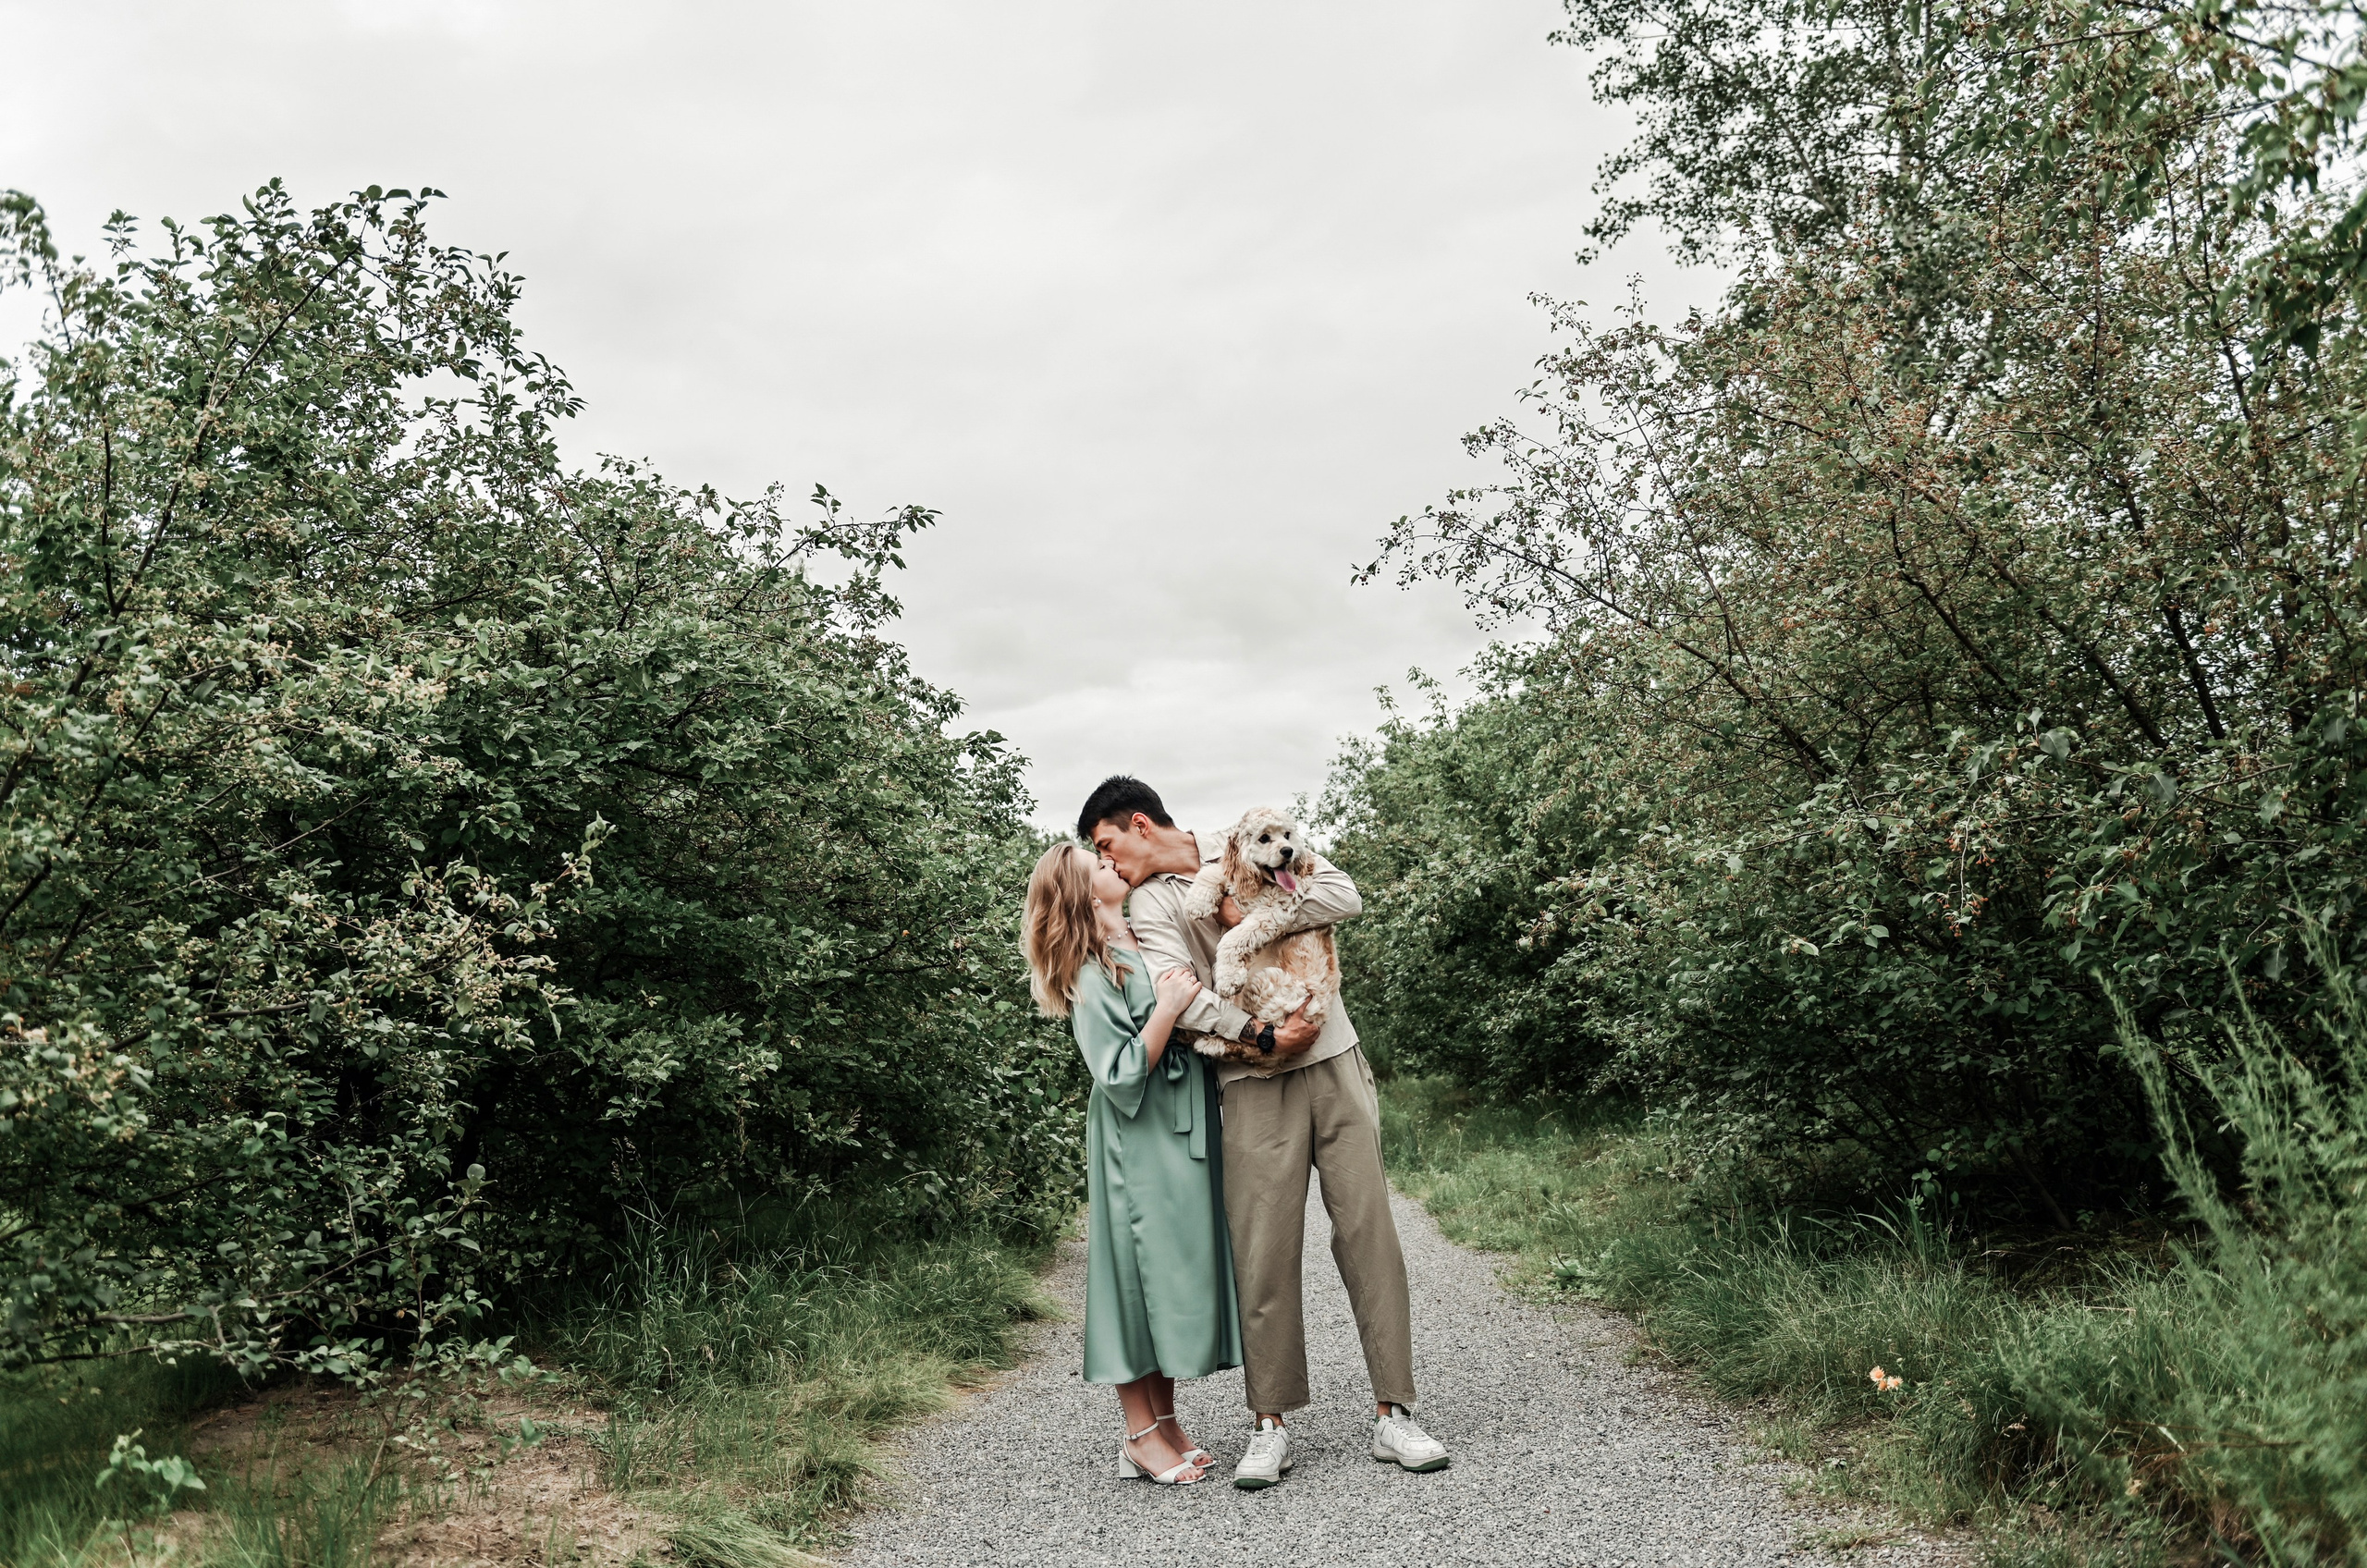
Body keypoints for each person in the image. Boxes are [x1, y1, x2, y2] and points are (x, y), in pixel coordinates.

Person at [1079, 775, 1449, 1490]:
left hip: (1335, 1055)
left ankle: (1395, 1415)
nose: (1109, 862)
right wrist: (1262, 1033)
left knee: (1370, 1232)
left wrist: (1242, 911)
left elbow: (1343, 894)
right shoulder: (1151, 903)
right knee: (1263, 1252)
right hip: (1250, 1079)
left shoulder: (1252, 836)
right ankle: (1269, 1426)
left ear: (1139, 824)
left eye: (1107, 844)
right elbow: (1179, 993)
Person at [1022, 839, 1243, 1486]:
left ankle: (1165, 1420)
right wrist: (1169, 1010)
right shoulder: (1089, 969)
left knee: (1168, 1274)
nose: (1111, 863)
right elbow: (1116, 1073)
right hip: (1136, 1130)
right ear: (1084, 893)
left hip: (1183, 1117)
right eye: (1098, 865)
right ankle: (1139, 1434)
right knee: (1133, 1273)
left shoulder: (1143, 935)